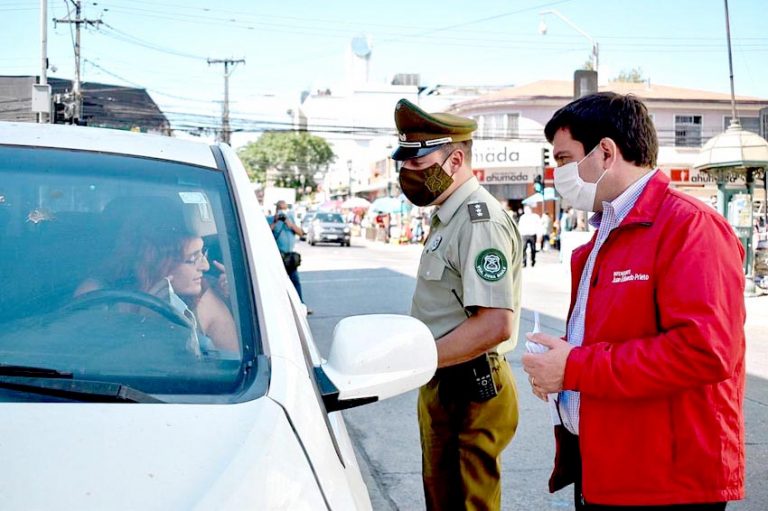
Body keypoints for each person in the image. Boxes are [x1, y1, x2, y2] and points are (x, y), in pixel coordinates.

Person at [521, 92, 746, 510]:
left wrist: (574, 367)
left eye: (565, 159)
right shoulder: (605, 233)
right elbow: (610, 337)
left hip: (665, 482)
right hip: (607, 463)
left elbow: (704, 352)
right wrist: (559, 375)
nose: (558, 174)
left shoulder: (690, 227)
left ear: (606, 151)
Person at [391, 98, 522, 511]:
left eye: (417, 163)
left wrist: (418, 359)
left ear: (455, 160)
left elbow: (495, 324)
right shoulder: (449, 215)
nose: (406, 173)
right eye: (404, 163)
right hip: (446, 382)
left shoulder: (477, 221)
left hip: (471, 389)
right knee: (443, 500)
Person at [76, 204, 238, 354]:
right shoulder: (96, 295)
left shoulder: (204, 300)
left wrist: (238, 302)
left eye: (204, 253)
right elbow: (76, 362)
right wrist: (148, 325)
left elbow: (232, 366)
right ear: (158, 261)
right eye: (192, 258)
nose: (205, 266)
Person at [267, 200, 311, 314]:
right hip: (278, 256)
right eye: (281, 208)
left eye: (285, 208)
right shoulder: (271, 219)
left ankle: (300, 305)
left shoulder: (290, 219)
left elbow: (301, 233)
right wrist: (276, 222)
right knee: (278, 282)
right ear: (277, 209)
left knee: (295, 280)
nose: (283, 211)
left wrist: (289, 224)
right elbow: (267, 233)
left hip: (289, 257)